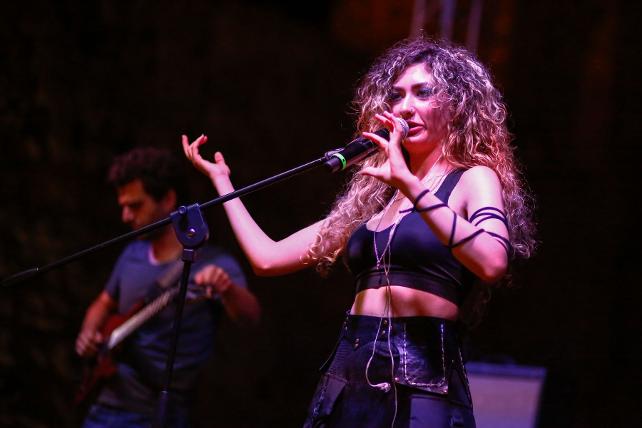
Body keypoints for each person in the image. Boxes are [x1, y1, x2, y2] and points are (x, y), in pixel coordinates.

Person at [183, 36, 536, 428]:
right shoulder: (374, 202)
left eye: (423, 93)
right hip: (348, 375)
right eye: (397, 96)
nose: (405, 107)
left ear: (457, 105)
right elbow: (267, 258)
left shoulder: (472, 179)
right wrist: (223, 183)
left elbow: (493, 261)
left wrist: (410, 185)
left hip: (422, 379)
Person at [75, 146, 261, 428]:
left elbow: (251, 316)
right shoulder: (132, 253)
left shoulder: (214, 263)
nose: (126, 216)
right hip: (104, 404)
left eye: (135, 206)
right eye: (123, 206)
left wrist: (228, 289)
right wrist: (88, 332)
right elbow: (103, 302)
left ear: (168, 199)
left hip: (159, 414)